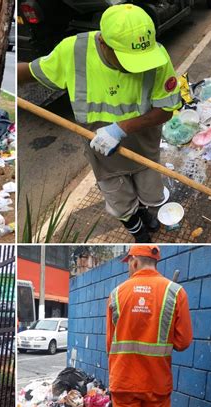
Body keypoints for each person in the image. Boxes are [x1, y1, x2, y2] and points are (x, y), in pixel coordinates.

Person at [17, 4, 182, 242]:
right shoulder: (73, 51)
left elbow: (166, 110)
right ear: (103, 43)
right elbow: (32, 72)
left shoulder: (157, 56)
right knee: (120, 202)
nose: (135, 66)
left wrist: (121, 128)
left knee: (151, 193)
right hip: (103, 153)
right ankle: (138, 231)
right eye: (126, 58)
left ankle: (146, 214)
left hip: (145, 146)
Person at [106, 245, 193, 407]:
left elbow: (109, 344)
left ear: (134, 261)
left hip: (124, 379)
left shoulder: (116, 293)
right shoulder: (175, 293)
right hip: (157, 380)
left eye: (128, 263)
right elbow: (183, 342)